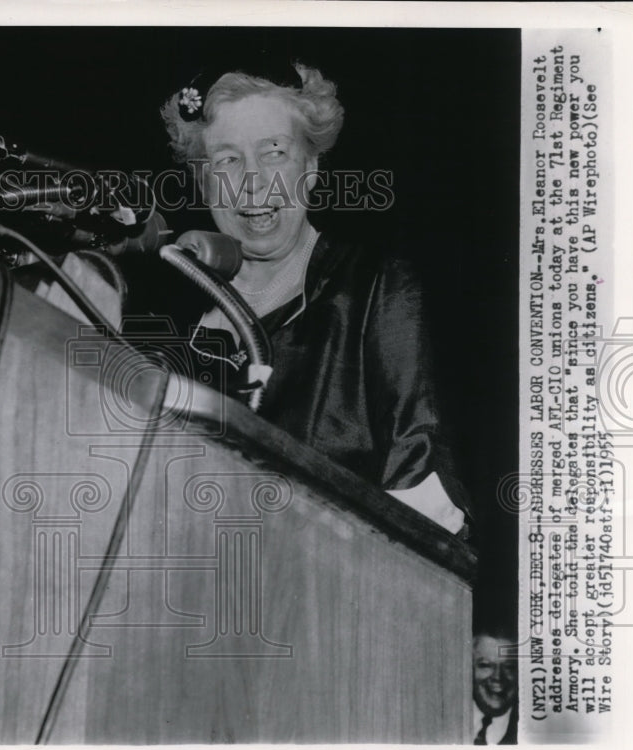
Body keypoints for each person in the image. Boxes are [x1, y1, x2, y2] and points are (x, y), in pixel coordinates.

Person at [157, 59, 468, 534]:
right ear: (204, 181)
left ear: (312, 167)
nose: (253, 181)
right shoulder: (175, 321)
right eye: (227, 160)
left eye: (274, 152)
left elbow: (422, 491)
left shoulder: (377, 290)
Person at [471, 629, 519, 744]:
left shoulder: (527, 729)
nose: (498, 677)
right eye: (486, 665)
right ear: (470, 668)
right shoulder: (446, 720)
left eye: (508, 667)